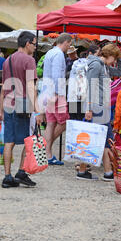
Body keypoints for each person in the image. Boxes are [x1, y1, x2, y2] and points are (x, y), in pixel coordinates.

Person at [0, 31, 44, 188]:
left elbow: (4, 87)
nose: (35, 46)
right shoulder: (29, 60)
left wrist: (1, 111)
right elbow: (30, 86)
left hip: (8, 104)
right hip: (23, 105)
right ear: (27, 43)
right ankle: (21, 172)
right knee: (28, 140)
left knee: (9, 141)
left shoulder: (7, 61)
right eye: (34, 43)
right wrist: (37, 110)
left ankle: (7, 176)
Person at [77, 43, 121, 181]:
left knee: (104, 139)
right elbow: (90, 86)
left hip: (101, 108)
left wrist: (118, 58)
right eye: (115, 58)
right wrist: (89, 108)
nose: (115, 61)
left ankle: (105, 172)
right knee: (96, 139)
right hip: (96, 108)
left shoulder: (104, 66)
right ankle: (87, 171)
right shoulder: (97, 65)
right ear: (109, 55)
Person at [42, 33, 72, 166]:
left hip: (48, 91)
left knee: (51, 123)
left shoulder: (50, 52)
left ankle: (46, 153)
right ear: (65, 42)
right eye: (69, 44)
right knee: (64, 122)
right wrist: (56, 93)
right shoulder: (59, 54)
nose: (69, 47)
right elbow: (56, 75)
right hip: (56, 93)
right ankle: (46, 149)